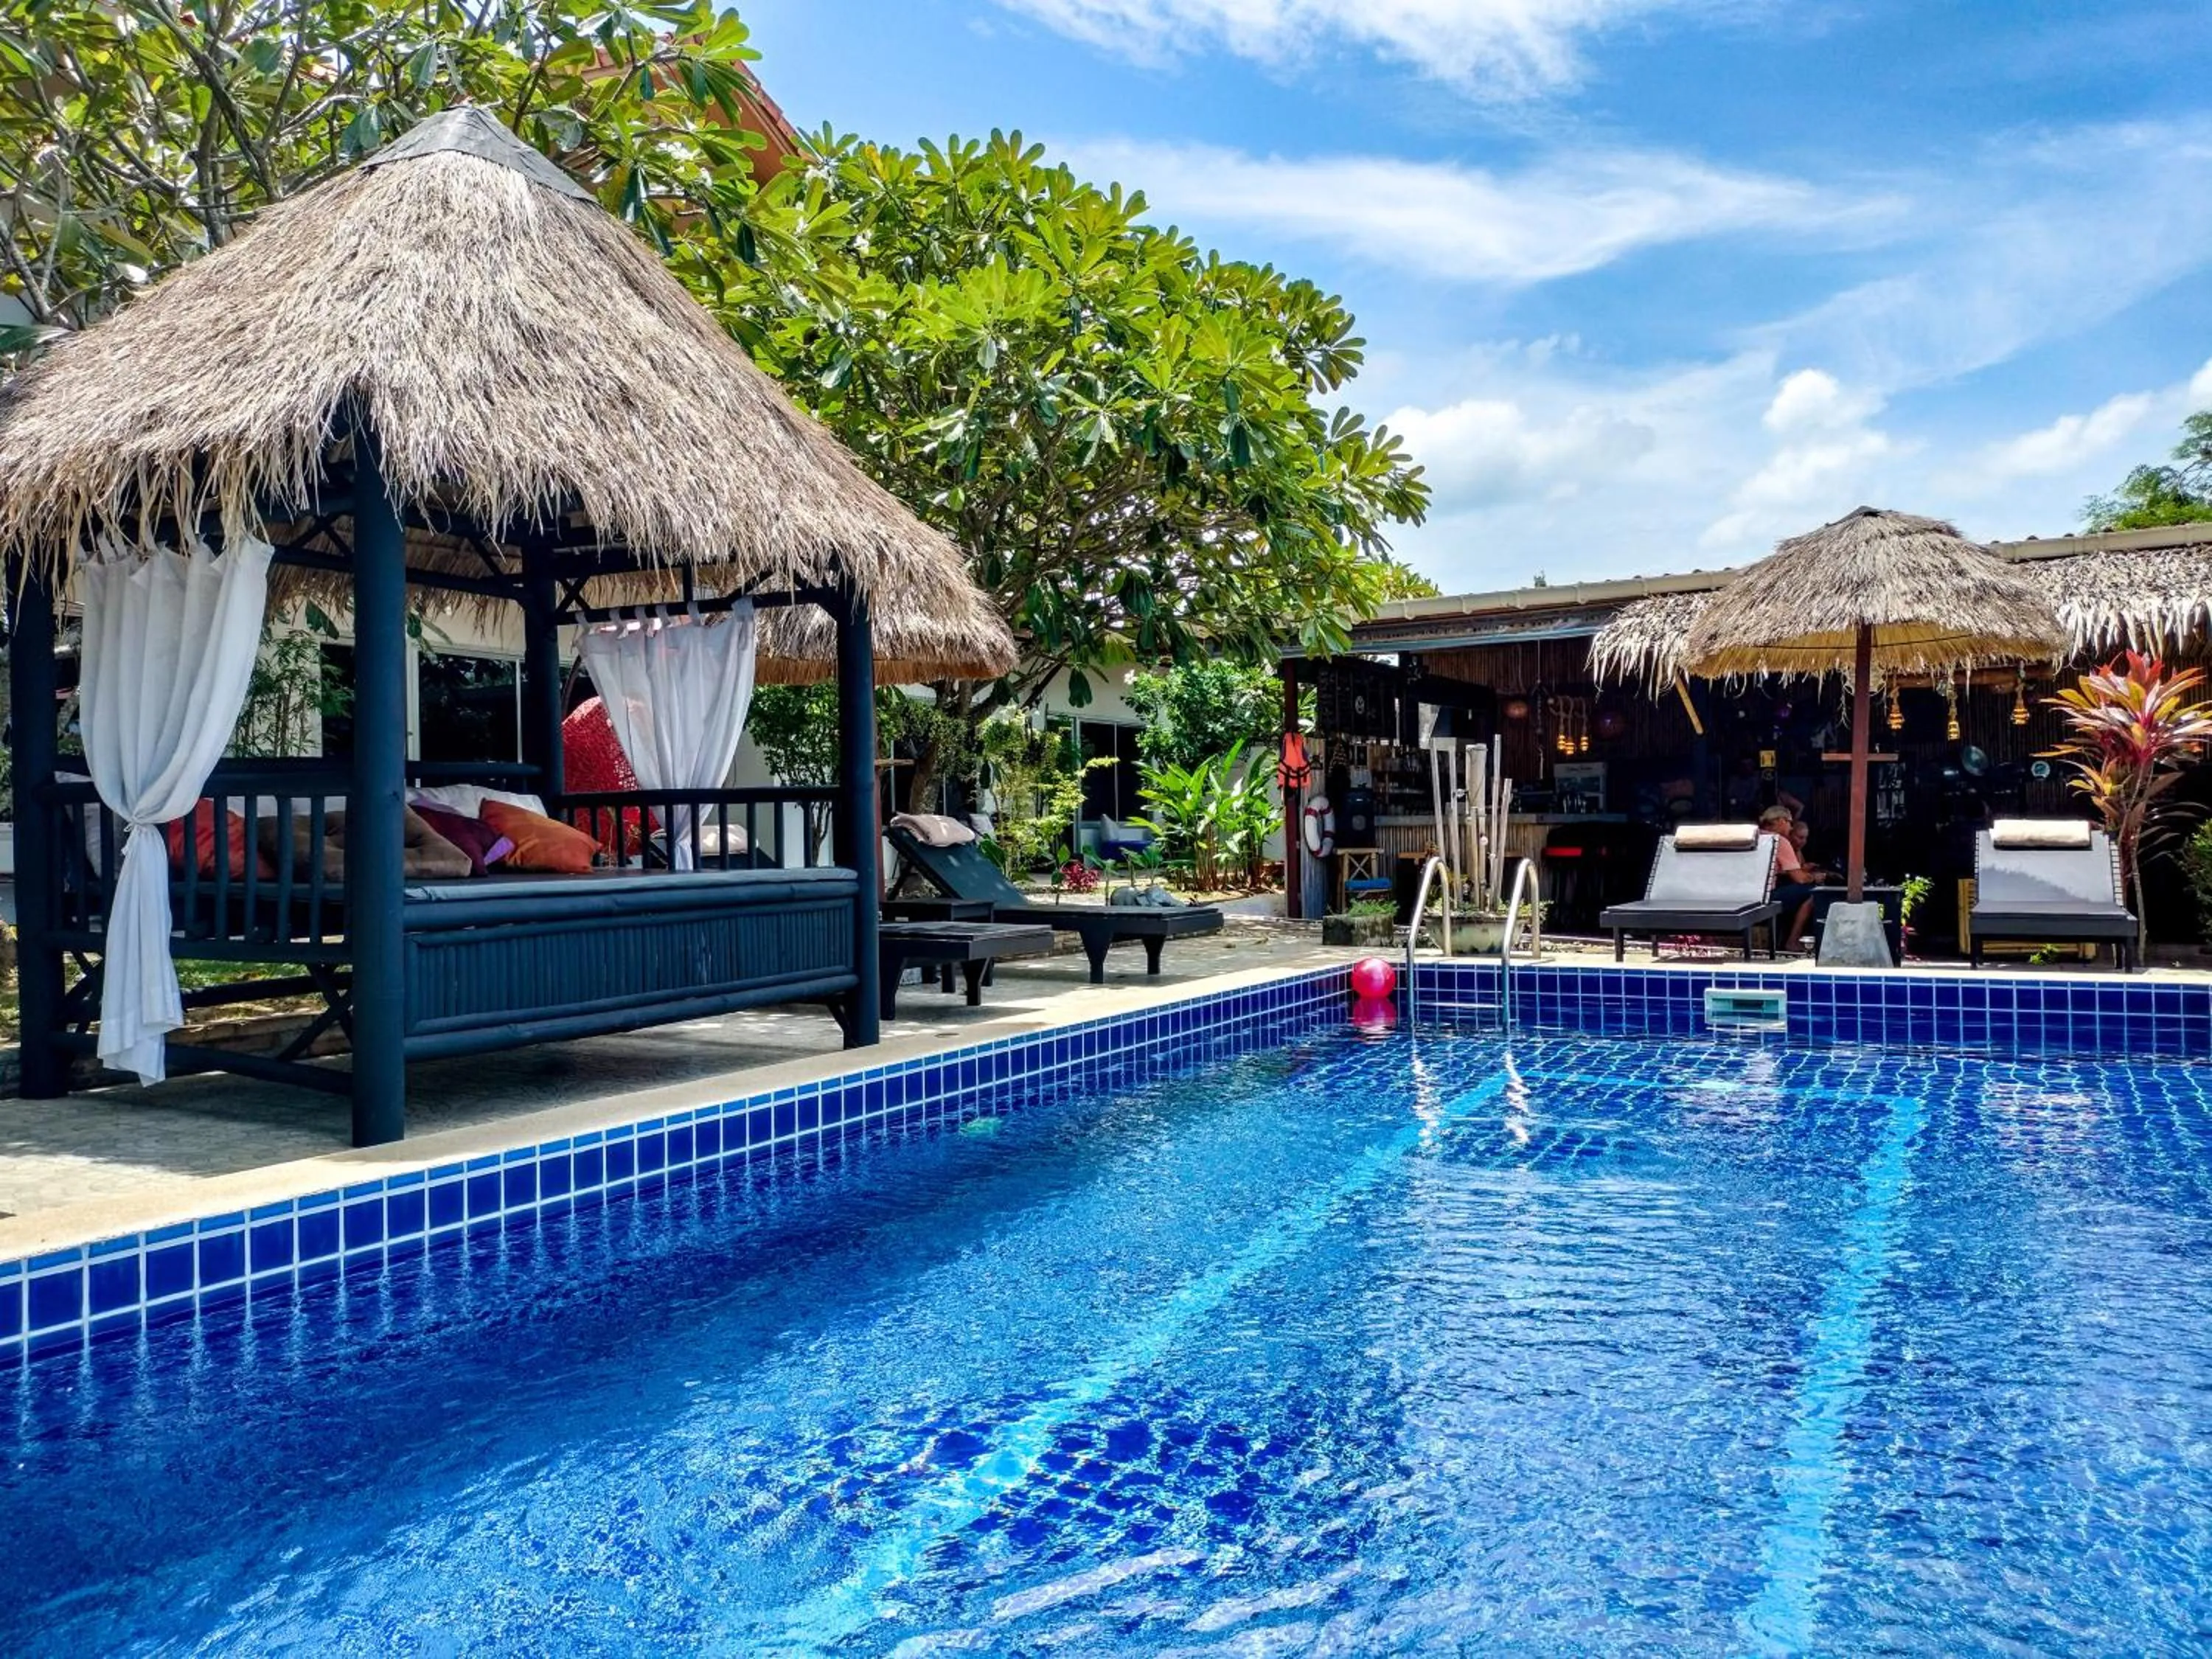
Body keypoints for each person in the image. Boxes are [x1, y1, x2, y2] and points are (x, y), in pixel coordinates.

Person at [1760, 806, 1823, 950]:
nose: (1791, 827)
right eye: (1790, 822)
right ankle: (1792, 940)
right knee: (1815, 892)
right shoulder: (1779, 841)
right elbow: (1800, 878)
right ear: (1782, 821)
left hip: (1746, 896)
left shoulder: (1756, 835)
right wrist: (1814, 878)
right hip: (1766, 897)